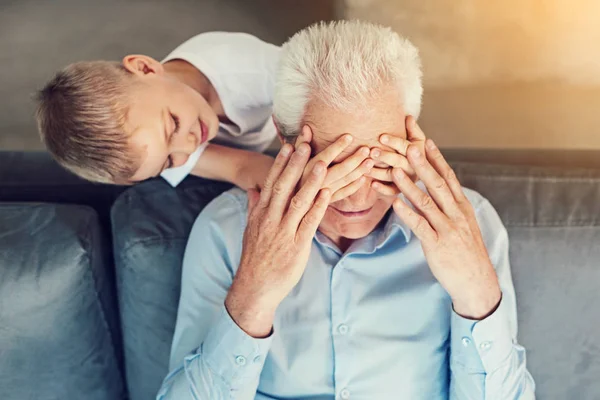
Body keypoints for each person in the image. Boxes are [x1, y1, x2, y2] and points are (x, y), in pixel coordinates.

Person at [158, 21, 536, 399]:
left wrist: (478, 297)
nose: (356, 200)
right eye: (332, 167)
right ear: (282, 135)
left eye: (377, 163)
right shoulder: (225, 231)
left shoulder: (470, 223)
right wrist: (254, 294)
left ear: (411, 137)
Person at [35, 32, 280, 189]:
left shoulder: (249, 69)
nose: (189, 148)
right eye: (169, 162)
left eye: (174, 123)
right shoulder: (155, 145)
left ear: (146, 68)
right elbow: (243, 167)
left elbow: (317, 81)